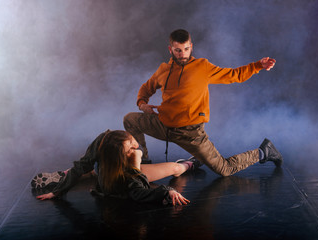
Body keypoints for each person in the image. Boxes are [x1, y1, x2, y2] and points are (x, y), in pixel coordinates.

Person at [123, 29, 283, 177]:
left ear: (191, 47)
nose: (182, 54)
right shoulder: (163, 69)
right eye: (178, 50)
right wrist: (142, 103)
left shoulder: (202, 67)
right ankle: (142, 160)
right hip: (164, 126)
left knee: (225, 170)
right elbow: (146, 88)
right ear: (170, 49)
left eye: (186, 49)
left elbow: (234, 75)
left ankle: (264, 151)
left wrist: (257, 66)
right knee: (130, 119)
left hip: (191, 134)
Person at [33, 130, 201, 206]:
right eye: (131, 149)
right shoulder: (125, 177)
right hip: (125, 175)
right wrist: (136, 165)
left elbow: (80, 166)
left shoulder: (103, 141)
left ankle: (74, 174)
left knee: (85, 168)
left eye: (131, 140)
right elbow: (139, 192)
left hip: (103, 172)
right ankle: (190, 164)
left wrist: (57, 191)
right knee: (175, 168)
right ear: (121, 157)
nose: (136, 146)